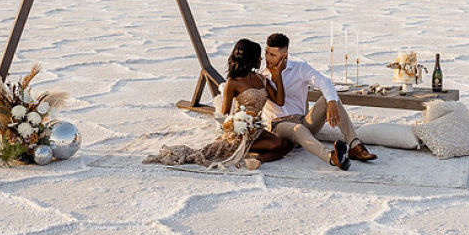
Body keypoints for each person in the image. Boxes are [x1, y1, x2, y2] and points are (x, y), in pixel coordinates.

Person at [144, 39, 293, 169]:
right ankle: (243, 151)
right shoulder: (233, 82)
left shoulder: (261, 79)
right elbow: (223, 114)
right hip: (239, 131)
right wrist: (230, 130)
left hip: (256, 129)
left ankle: (256, 160)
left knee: (287, 145)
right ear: (252, 58)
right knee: (278, 146)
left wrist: (277, 75)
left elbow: (279, 101)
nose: (261, 59)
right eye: (258, 56)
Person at [262, 32, 377, 170]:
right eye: (267, 53)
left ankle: (354, 145)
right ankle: (332, 158)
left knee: (331, 98)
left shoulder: (299, 68)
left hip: (304, 122)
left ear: (285, 55)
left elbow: (324, 81)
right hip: (279, 126)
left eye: (273, 55)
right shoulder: (261, 75)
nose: (268, 58)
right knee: (297, 129)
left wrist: (332, 102)